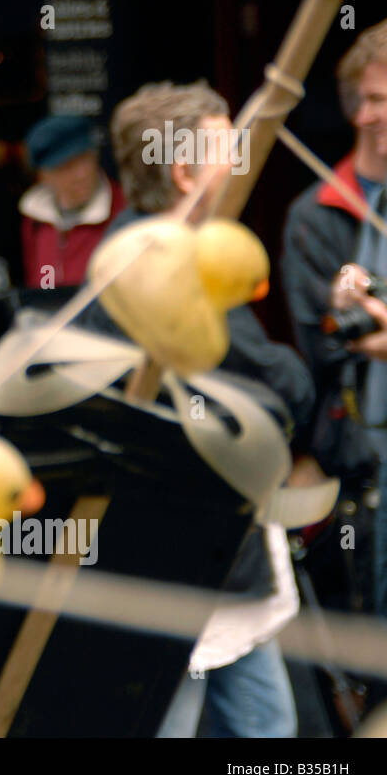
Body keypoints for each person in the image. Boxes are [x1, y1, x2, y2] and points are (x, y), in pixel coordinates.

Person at [85, 80, 314, 738]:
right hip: (177, 561)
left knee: (266, 732)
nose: (242, 168)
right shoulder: (166, 263)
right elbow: (279, 394)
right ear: (184, 172)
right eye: (228, 154)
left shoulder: (155, 249)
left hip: (217, 554)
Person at [281, 17, 387, 614]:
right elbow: (326, 346)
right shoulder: (320, 212)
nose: (361, 116)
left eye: (377, 99)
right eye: (358, 101)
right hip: (370, 457)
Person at [19, 114, 125, 288]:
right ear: (44, 176)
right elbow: (44, 288)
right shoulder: (36, 222)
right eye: (67, 166)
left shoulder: (124, 211)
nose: (81, 174)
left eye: (85, 159)